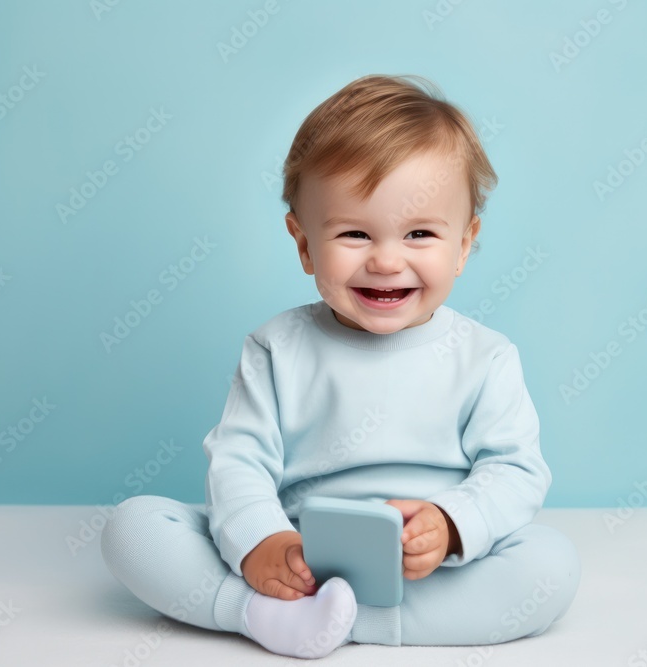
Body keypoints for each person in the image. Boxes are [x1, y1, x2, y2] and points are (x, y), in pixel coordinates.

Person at [101, 73, 580, 659]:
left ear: (463, 245)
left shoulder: (486, 358)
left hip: (422, 570)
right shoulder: (278, 346)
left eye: (420, 233)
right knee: (135, 527)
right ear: (304, 245)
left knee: (549, 565)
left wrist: (452, 523)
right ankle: (257, 608)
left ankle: (330, 622)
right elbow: (239, 463)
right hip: (298, 554)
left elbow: (515, 471)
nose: (385, 259)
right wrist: (263, 542)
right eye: (354, 233)